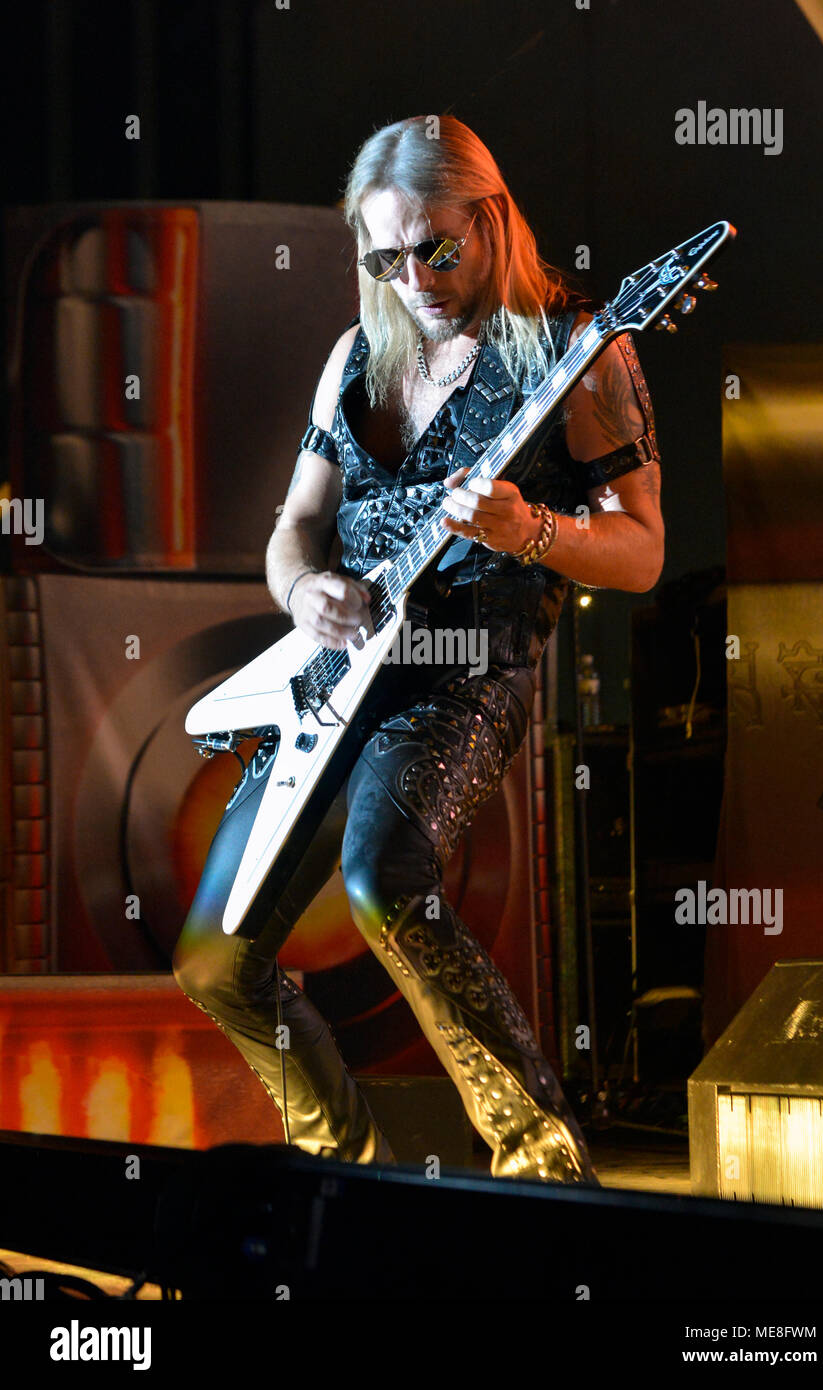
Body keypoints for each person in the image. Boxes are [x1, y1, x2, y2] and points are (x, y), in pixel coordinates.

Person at [172, 115, 663, 1185]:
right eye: (385, 257)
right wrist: (304, 591)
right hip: (335, 676)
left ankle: (548, 1173)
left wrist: (531, 529)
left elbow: (642, 552)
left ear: (490, 220)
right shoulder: (356, 357)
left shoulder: (579, 347)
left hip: (459, 667)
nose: (413, 277)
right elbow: (294, 526)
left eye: (436, 247)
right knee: (215, 956)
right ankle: (343, 1176)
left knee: (384, 880)